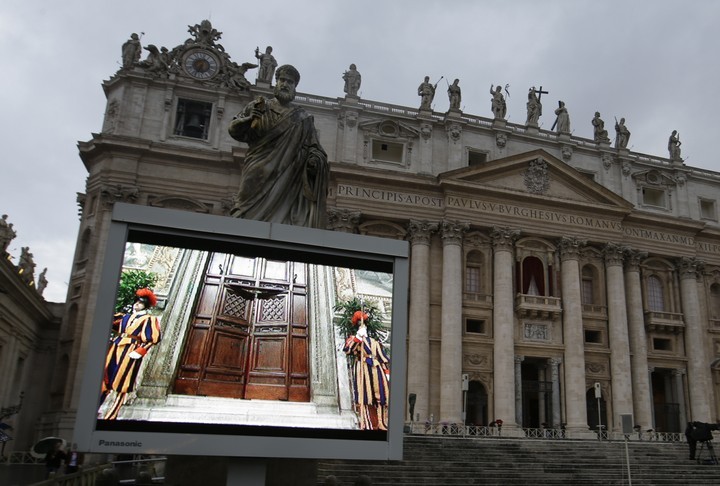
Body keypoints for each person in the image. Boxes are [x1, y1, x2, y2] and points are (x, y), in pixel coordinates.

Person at [228, 65, 329, 228]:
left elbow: (314, 147)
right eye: (282, 80)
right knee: (243, 210)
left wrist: (314, 160)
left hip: (288, 177)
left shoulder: (303, 118)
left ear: (295, 87)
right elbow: (234, 129)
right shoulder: (259, 106)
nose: (285, 84)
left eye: (290, 82)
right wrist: (248, 120)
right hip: (257, 169)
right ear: (276, 82)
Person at [99, 288, 161, 420]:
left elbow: (152, 338)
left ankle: (112, 415)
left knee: (123, 382)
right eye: (136, 302)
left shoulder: (149, 319)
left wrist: (140, 351)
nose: (137, 304)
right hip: (115, 347)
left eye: (140, 303)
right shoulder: (125, 317)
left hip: (130, 350)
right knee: (106, 378)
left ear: (146, 305)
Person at [343, 310, 390, 430]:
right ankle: (368, 424)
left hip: (377, 368)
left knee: (381, 395)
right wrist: (358, 337)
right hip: (363, 367)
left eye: (363, 324)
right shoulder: (353, 339)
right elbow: (348, 350)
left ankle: (382, 422)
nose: (362, 326)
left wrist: (387, 374)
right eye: (360, 324)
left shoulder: (375, 342)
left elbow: (383, 358)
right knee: (366, 396)